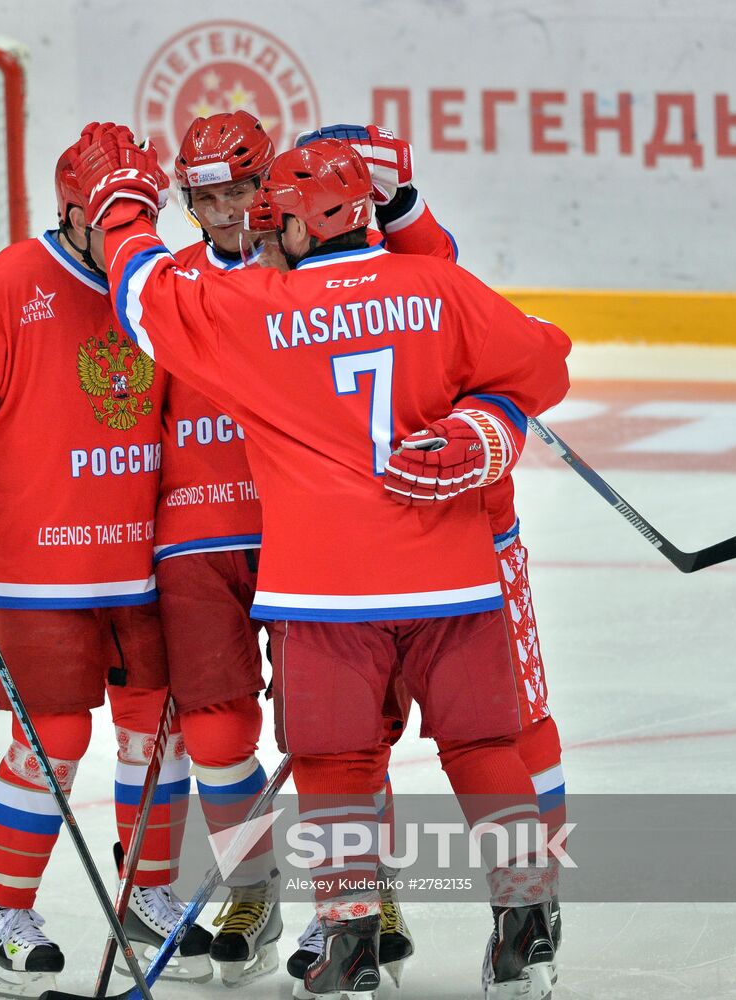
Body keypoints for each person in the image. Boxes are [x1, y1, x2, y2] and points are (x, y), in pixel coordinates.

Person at [71, 123, 572, 998]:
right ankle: (524, 923)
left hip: (326, 590)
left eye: (272, 220)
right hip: (454, 578)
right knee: (486, 742)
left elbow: (143, 297)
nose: (260, 232)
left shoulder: (261, 311)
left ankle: (348, 944)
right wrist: (488, 429)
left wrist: (120, 210)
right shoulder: (437, 288)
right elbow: (545, 359)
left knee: (337, 762)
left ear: (300, 226)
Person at [0, 136, 210, 997]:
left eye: (143, 215)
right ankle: (2, 914)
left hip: (143, 563)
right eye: (112, 218)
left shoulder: (158, 283)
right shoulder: (8, 285)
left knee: (157, 737)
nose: (129, 233)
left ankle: (148, 892)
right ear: (72, 212)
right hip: (34, 569)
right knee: (54, 742)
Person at [160, 110, 461, 989]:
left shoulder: (330, 269)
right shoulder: (168, 282)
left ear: (276, 189)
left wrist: (401, 200)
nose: (223, 214)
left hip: (316, 533)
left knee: (342, 740)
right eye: (204, 198)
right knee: (215, 730)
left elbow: (435, 288)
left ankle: (363, 895)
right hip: (201, 533)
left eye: (241, 192)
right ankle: (252, 890)